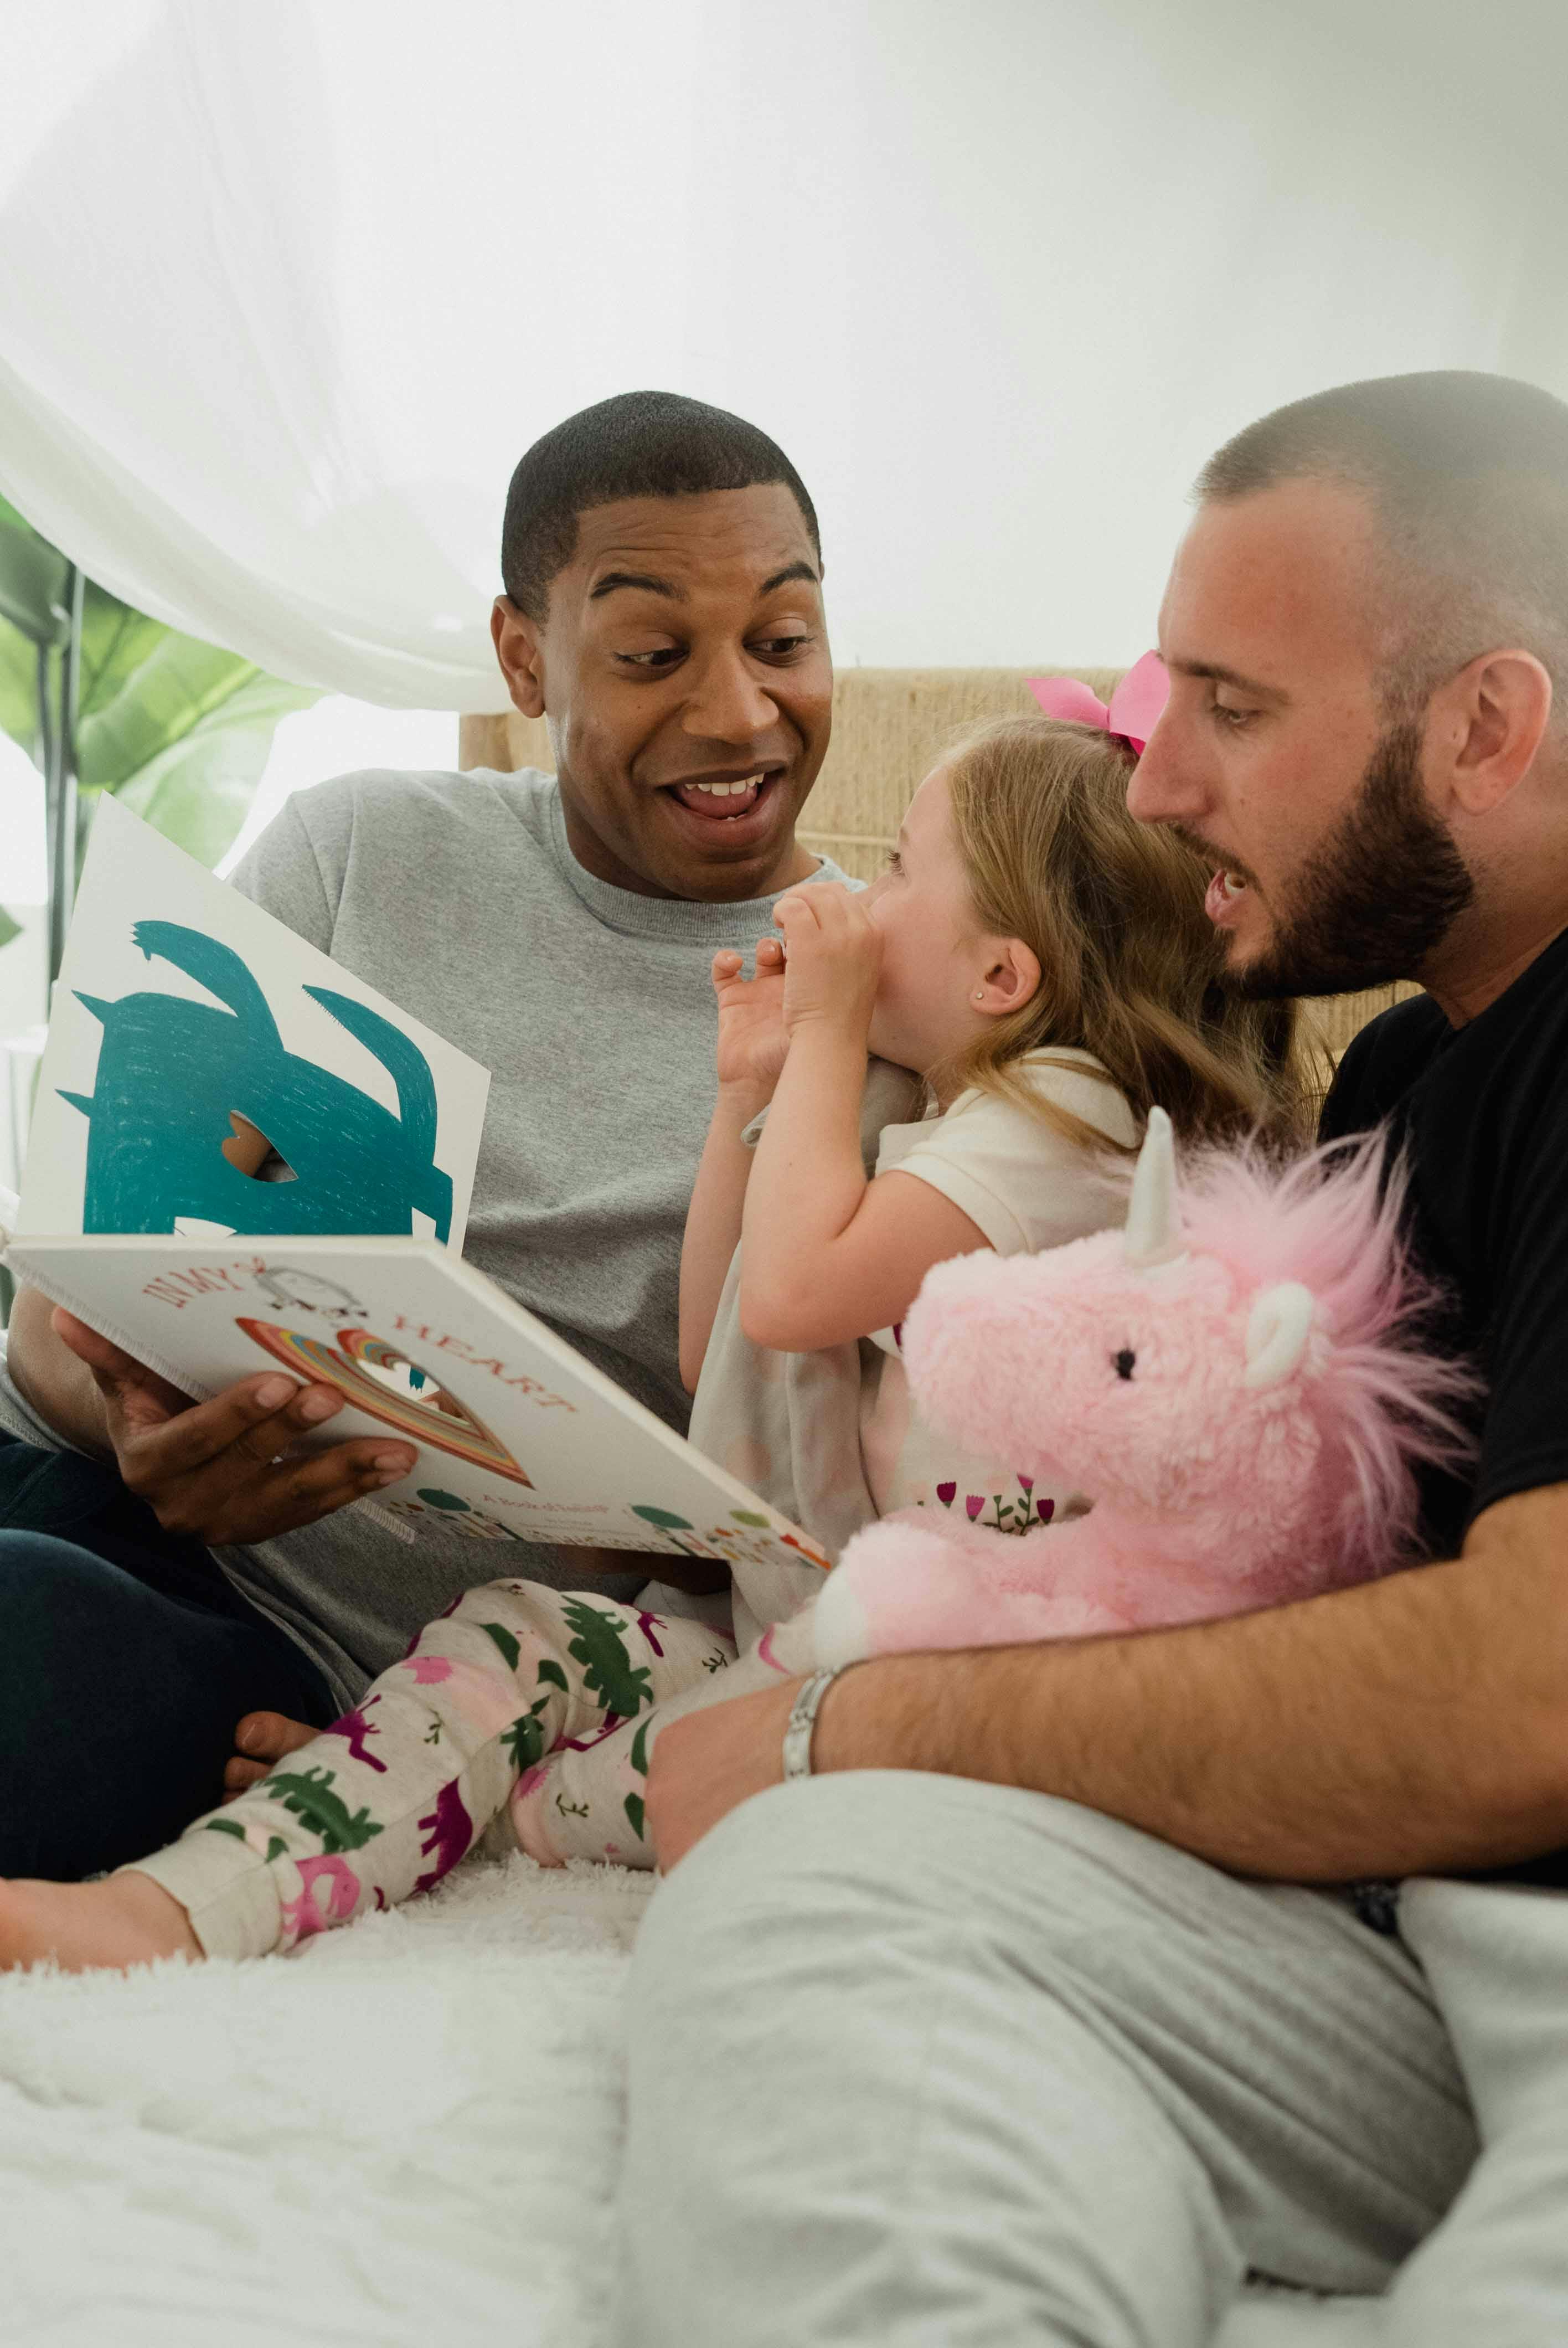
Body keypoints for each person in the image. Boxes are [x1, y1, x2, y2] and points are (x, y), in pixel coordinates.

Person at [618, 372, 1568, 2346]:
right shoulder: (1402, 1077)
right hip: (1394, 1947)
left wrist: (849, 1726)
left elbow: (1533, 1691)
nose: (1151, 784)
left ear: (1486, 724)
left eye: (1230, 707)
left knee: (829, 1832)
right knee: (823, 1901)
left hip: (1515, 1945)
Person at [0, 712, 1296, 1968]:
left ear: (1004, 977)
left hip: (895, 1681)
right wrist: (750, 1085)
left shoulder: (1061, 1127)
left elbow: (793, 1296)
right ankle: (249, 1865)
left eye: (899, 867)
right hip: (786, 1625)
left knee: (516, 1726)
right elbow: (716, 1339)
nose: (857, 893)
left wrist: (832, 1038)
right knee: (509, 1633)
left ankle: (330, 1842)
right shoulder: (935, 1108)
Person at [0, 389, 852, 1885]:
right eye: (654, 656)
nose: (738, 713)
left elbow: (831, 1518)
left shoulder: (875, 991)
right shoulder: (362, 854)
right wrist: (137, 1436)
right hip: (91, 1486)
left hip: (317, 1657)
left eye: (783, 641)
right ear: (524, 658)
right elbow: (53, 1324)